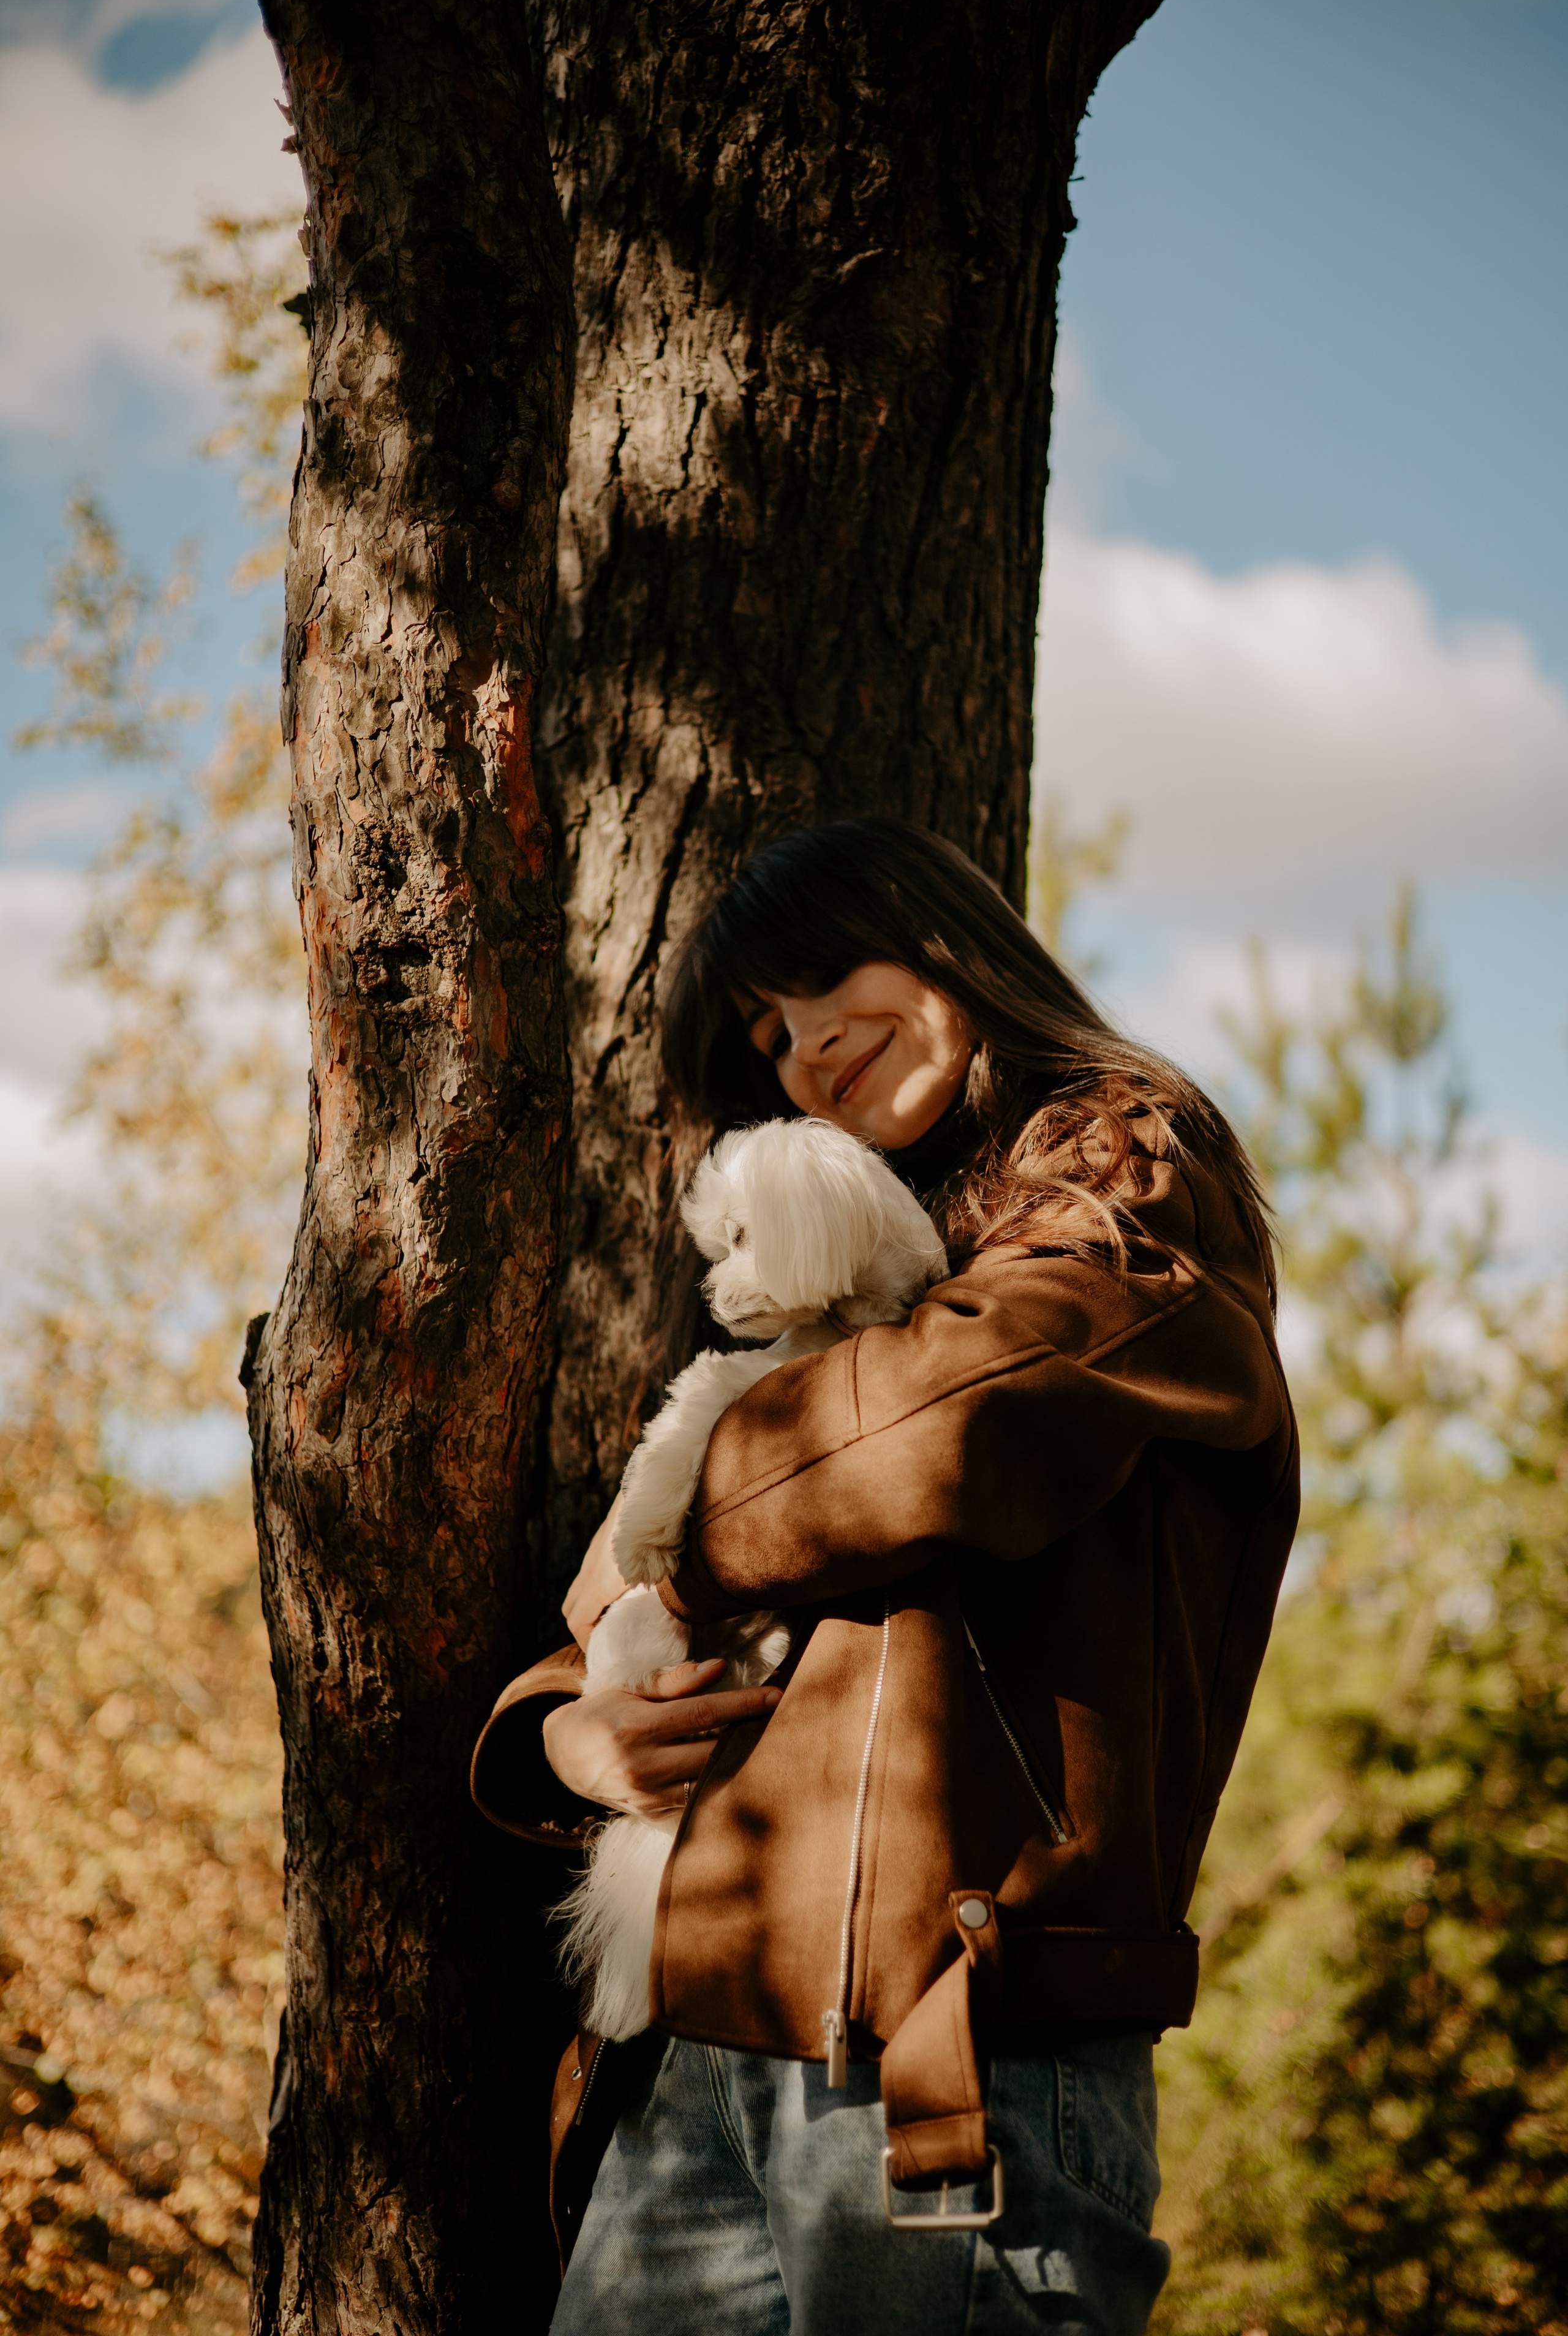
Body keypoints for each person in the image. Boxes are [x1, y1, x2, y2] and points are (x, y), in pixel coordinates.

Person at [471, 820, 1298, 2335]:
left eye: (817, 981)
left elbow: (954, 1426)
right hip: (693, 2051)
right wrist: (559, 1734)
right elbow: (605, 1609)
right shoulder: (821, 1308)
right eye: (768, 1035)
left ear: (938, 941)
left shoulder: (1126, 1177)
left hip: (955, 2044)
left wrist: (694, 1501)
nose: (802, 1049)